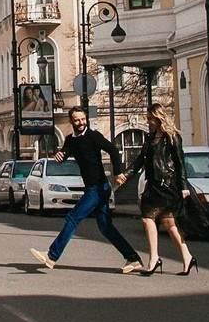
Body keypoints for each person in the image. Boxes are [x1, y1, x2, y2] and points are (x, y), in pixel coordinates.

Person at [31, 106, 145, 274]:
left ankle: (51, 256)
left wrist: (118, 172)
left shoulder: (93, 136)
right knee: (105, 227)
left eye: (83, 119)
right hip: (94, 187)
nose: (81, 123)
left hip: (98, 188)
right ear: (71, 121)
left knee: (72, 218)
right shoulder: (71, 139)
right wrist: (60, 157)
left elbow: (113, 149)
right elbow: (66, 152)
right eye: (77, 120)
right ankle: (133, 258)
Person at [115, 104, 196, 275]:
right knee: (147, 219)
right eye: (147, 118)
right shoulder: (150, 137)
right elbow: (139, 161)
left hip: (167, 185)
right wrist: (126, 175)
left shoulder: (172, 137)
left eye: (150, 118)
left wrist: (183, 187)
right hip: (152, 185)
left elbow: (180, 163)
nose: (148, 121)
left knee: (169, 223)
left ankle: (185, 257)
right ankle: (154, 259)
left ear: (159, 118)